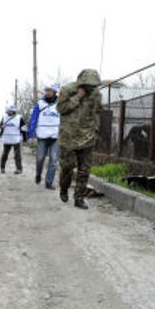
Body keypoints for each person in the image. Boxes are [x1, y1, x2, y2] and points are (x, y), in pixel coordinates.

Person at [57, 69, 103, 209]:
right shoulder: (67, 90)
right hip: (68, 136)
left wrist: (95, 130)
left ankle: (79, 198)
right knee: (67, 167)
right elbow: (61, 109)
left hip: (87, 137)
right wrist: (78, 97)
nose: (91, 88)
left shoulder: (96, 94)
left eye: (93, 85)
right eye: (88, 84)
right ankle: (64, 188)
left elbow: (97, 112)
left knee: (84, 170)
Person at [28, 83, 61, 190]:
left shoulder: (60, 103)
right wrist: (31, 135)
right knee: (40, 158)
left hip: (55, 136)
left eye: (49, 90)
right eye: (46, 90)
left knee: (54, 160)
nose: (47, 92)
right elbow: (34, 119)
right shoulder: (40, 104)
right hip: (42, 135)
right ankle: (38, 174)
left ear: (55, 92)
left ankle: (48, 182)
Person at [0, 105, 26, 174]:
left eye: (10, 110)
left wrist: (25, 138)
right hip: (7, 139)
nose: (9, 112)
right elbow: (0, 126)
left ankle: (19, 169)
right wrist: (2, 127)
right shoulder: (4, 117)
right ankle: (2, 168)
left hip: (16, 139)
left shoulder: (19, 118)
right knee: (5, 154)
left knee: (17, 155)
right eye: (8, 110)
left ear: (14, 111)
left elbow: (23, 128)